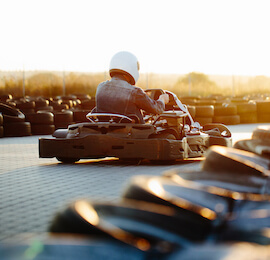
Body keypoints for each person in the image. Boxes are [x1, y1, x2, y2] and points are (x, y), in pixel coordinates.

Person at [95, 51, 169, 123]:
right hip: (132, 133)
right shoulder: (135, 92)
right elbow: (156, 109)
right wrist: (162, 100)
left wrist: (142, 96)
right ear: (132, 68)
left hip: (104, 130)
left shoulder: (100, 87)